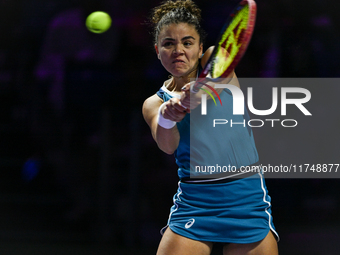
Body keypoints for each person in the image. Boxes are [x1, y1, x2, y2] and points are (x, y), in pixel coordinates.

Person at [142, 1, 279, 254]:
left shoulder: (215, 58)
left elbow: (214, 81)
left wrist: (193, 95)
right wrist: (168, 115)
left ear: (200, 47)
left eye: (187, 42)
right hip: (196, 202)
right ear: (157, 50)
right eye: (168, 43)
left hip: (245, 197)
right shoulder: (153, 103)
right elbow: (167, 145)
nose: (178, 50)